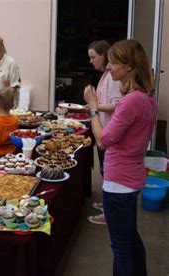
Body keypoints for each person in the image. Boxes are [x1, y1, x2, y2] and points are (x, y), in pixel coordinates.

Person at [84, 39, 158, 276]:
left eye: (113, 63)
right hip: (132, 177)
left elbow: (102, 140)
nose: (109, 67)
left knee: (121, 247)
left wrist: (93, 107)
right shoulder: (148, 98)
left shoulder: (131, 101)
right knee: (131, 238)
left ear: (128, 66)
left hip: (119, 183)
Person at [84, 40, 122, 226]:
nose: (91, 61)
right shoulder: (105, 75)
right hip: (103, 129)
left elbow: (116, 105)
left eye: (93, 57)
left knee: (108, 172)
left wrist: (94, 106)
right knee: (104, 170)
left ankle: (109, 214)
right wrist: (92, 103)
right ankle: (108, 206)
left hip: (107, 131)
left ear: (104, 56)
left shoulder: (112, 77)